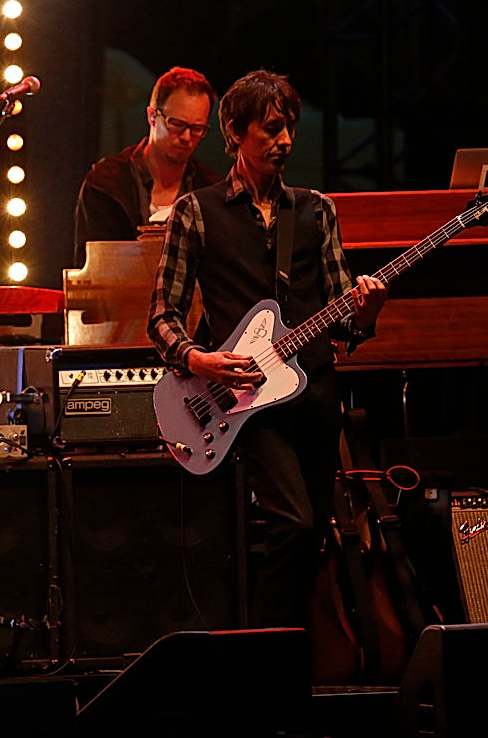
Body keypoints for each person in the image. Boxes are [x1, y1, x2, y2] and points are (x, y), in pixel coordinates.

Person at [148, 70, 388, 628]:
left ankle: (290, 651)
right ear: (235, 132)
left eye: (290, 129)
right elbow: (161, 316)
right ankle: (259, 654)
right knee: (294, 524)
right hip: (247, 401)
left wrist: (367, 313)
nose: (285, 141)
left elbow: (343, 322)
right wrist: (198, 359)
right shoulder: (196, 212)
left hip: (317, 393)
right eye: (271, 129)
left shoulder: (317, 210)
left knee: (317, 531)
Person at [73, 66, 224, 267]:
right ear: (152, 116)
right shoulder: (106, 184)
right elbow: (91, 269)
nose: (186, 137)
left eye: (197, 128)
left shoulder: (210, 191)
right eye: (176, 124)